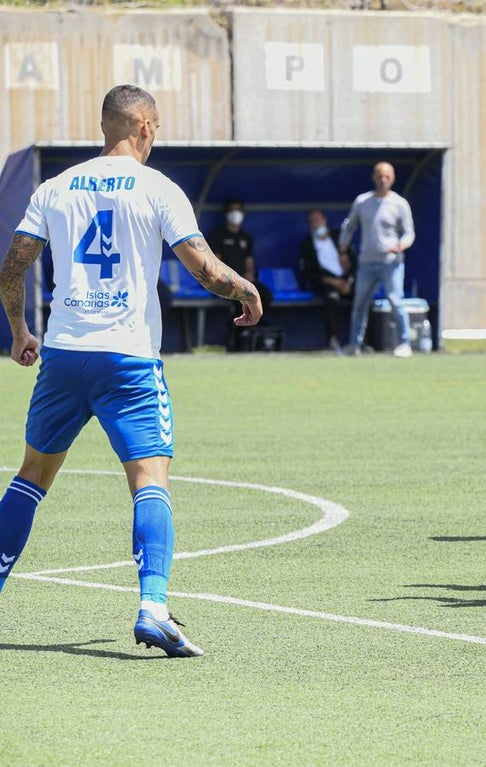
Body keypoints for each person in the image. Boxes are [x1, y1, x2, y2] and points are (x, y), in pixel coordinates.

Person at [0, 84, 262, 656]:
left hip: (65, 357)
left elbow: (13, 265)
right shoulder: (157, 188)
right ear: (142, 125)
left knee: (30, 478)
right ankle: (153, 608)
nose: (156, 137)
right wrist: (244, 289)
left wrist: (21, 331)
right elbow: (204, 269)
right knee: (149, 481)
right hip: (128, 360)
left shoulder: (55, 186)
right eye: (157, 128)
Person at [339, 161, 416, 357]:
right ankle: (353, 345)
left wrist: (401, 245)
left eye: (387, 176)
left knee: (395, 301)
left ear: (393, 178)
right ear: (373, 177)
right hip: (366, 262)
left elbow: (409, 233)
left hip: (391, 263)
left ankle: (404, 343)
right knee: (360, 304)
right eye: (380, 176)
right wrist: (343, 248)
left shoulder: (400, 204)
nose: (383, 180)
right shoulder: (363, 201)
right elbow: (349, 226)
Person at [206, 198, 272, 351]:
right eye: (232, 210)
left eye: (238, 210)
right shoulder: (217, 235)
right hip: (225, 280)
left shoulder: (246, 238)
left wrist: (249, 276)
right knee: (238, 297)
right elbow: (215, 263)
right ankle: (238, 333)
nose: (235, 214)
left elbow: (249, 264)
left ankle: (255, 329)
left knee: (265, 294)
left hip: (243, 281)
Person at [299, 208, 353, 354]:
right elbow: (308, 274)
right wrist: (332, 282)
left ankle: (361, 340)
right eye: (312, 222)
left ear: (325, 221)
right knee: (332, 298)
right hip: (326, 284)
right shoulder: (307, 245)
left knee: (363, 296)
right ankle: (332, 339)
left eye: (318, 220)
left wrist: (349, 281)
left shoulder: (339, 238)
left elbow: (353, 263)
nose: (316, 224)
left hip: (347, 282)